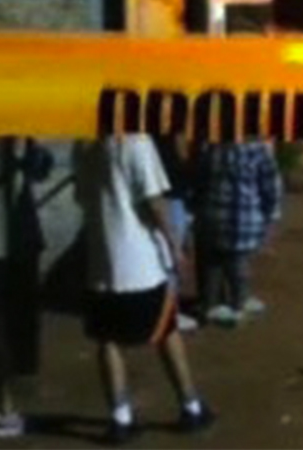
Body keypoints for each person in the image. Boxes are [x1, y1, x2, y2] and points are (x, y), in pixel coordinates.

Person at [73, 134, 213, 443]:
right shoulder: (136, 142)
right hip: (141, 262)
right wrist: (175, 246)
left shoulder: (84, 145)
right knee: (166, 329)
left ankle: (120, 417)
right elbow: (154, 202)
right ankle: (190, 406)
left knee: (108, 339)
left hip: (101, 262)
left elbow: (81, 197)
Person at [0, 137, 51, 439]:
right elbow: (39, 168)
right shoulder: (11, 132)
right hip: (7, 244)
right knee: (3, 328)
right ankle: (5, 407)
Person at [193, 140, 283, 327]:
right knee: (237, 264)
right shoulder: (258, 150)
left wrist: (195, 208)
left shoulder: (212, 147)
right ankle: (239, 303)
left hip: (213, 216)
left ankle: (210, 305)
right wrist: (271, 217)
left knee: (214, 263)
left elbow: (199, 182)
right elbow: (272, 188)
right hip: (242, 219)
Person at [152, 136, 200, 332]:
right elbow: (180, 165)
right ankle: (169, 314)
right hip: (170, 199)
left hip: (173, 198)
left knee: (170, 256)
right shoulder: (166, 139)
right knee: (172, 258)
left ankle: (167, 310)